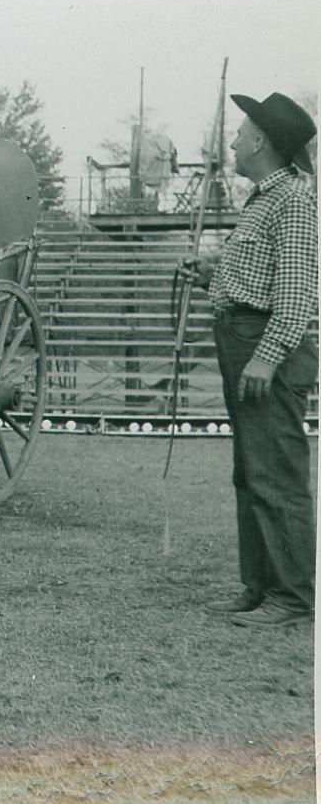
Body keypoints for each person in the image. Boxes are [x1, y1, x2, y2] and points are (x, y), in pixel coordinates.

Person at [180, 91, 317, 628]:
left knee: (276, 473)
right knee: (251, 471)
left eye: (239, 133)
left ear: (260, 140)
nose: (233, 141)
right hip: (243, 337)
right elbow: (262, 277)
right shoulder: (264, 199)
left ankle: (293, 597)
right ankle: (260, 585)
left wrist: (267, 356)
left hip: (264, 348)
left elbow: (298, 290)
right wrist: (212, 274)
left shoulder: (293, 200)